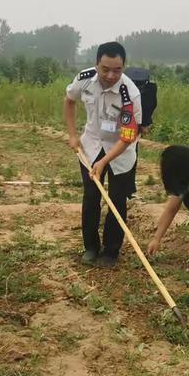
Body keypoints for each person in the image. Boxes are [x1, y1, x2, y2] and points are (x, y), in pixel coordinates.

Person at [64, 42, 142, 268]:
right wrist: (72, 135)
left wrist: (105, 161)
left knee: (117, 200)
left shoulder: (131, 94)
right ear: (96, 64)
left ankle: (111, 251)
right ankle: (90, 247)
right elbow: (69, 101)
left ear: (124, 67)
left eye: (117, 70)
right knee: (90, 197)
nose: (111, 75)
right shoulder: (84, 79)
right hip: (90, 146)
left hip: (120, 152)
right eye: (105, 69)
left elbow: (128, 136)